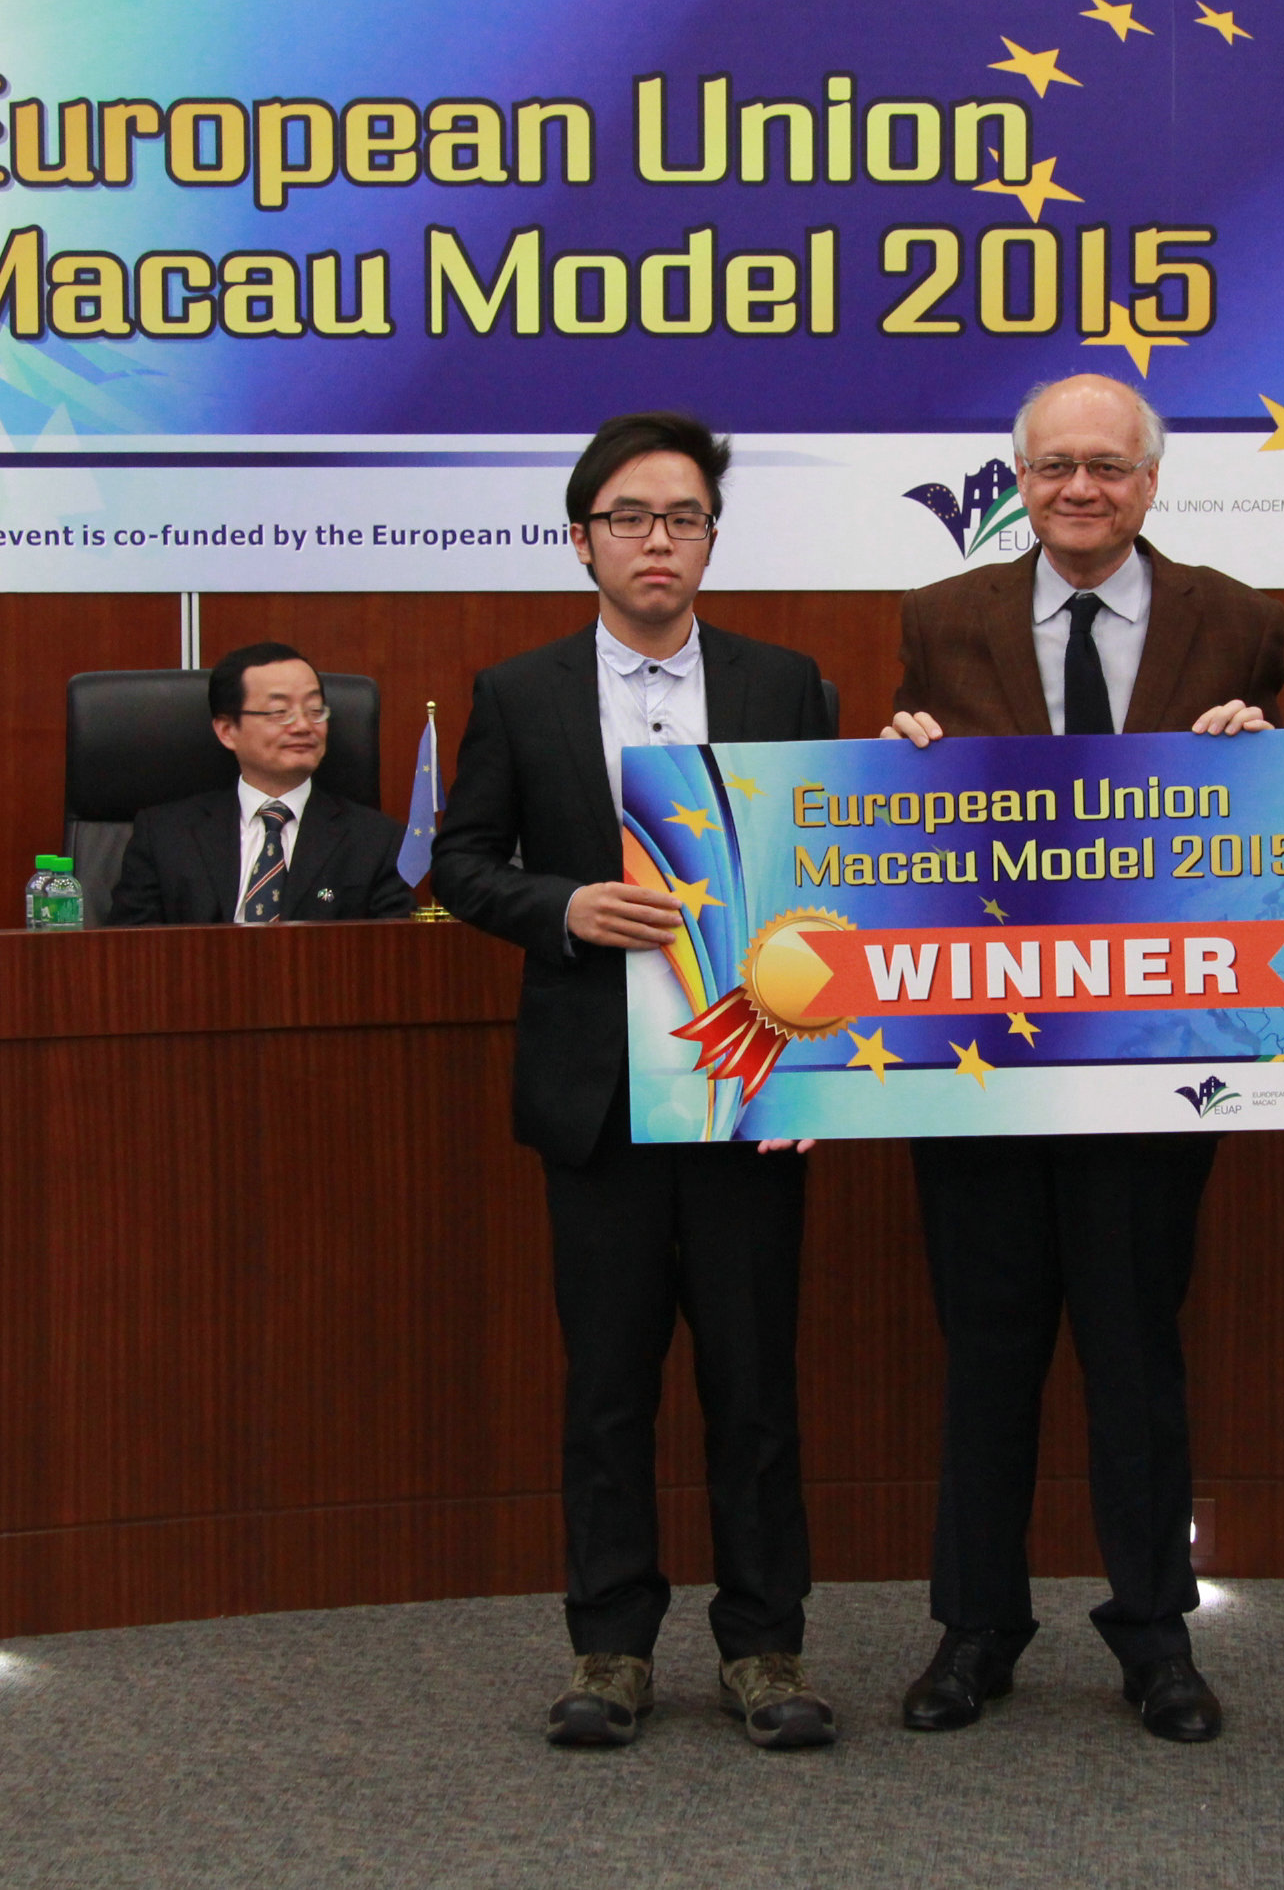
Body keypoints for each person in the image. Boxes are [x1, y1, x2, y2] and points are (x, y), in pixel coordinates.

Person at [882, 372, 1283, 1746]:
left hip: (1151, 1061)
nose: (1080, 489)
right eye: (1055, 465)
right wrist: (896, 760)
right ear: (1021, 481)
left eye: (1108, 466)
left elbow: (1270, 834)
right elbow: (908, 828)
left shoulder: (1237, 618)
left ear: (1149, 481)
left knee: (1134, 1355)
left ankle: (1156, 1635)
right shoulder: (941, 618)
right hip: (981, 1063)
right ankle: (974, 1628)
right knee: (986, 1354)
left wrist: (1265, 759)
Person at [432, 411, 840, 1753]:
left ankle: (765, 1646)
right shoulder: (519, 690)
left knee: (755, 1383)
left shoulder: (786, 683)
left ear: (711, 539)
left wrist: (817, 1075)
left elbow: (831, 879)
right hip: (598, 1097)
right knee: (607, 1387)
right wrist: (563, 905)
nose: (655, 539)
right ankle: (609, 1647)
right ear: (582, 539)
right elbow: (460, 862)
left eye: (681, 517)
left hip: (746, 1088)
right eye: (628, 517)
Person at [107, 642, 413, 925]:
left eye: (315, 710)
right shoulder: (164, 836)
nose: (303, 726)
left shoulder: (378, 841)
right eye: (280, 712)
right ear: (227, 730)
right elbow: (130, 951)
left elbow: (392, 953)